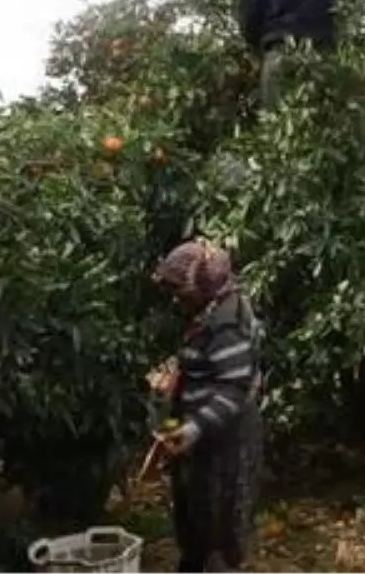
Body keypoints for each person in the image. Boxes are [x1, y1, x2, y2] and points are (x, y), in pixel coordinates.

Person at [149, 238, 264, 574]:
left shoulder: (227, 324)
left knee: (220, 526)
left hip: (227, 444)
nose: (176, 298)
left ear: (203, 287)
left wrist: (194, 427)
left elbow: (233, 389)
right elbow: (206, 370)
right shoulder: (207, 314)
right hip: (202, 440)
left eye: (179, 290)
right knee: (194, 516)